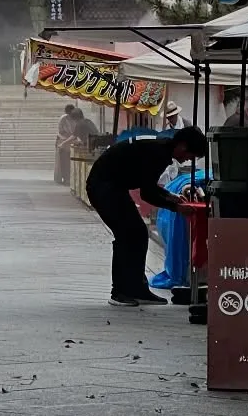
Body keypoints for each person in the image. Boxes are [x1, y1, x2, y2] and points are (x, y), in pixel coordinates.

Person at [85, 125, 210, 303]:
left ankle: (136, 288)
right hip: (103, 188)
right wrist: (176, 208)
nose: (189, 160)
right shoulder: (158, 154)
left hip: (114, 188)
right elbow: (147, 194)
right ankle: (120, 292)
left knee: (139, 233)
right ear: (182, 146)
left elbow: (148, 186)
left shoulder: (161, 149)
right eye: (192, 155)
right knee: (127, 235)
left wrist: (170, 196)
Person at [54, 103, 82, 184]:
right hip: (63, 142)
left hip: (72, 141)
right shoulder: (63, 118)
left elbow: (76, 132)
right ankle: (65, 178)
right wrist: (67, 139)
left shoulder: (76, 119)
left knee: (70, 162)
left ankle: (70, 178)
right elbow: (60, 131)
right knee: (63, 162)